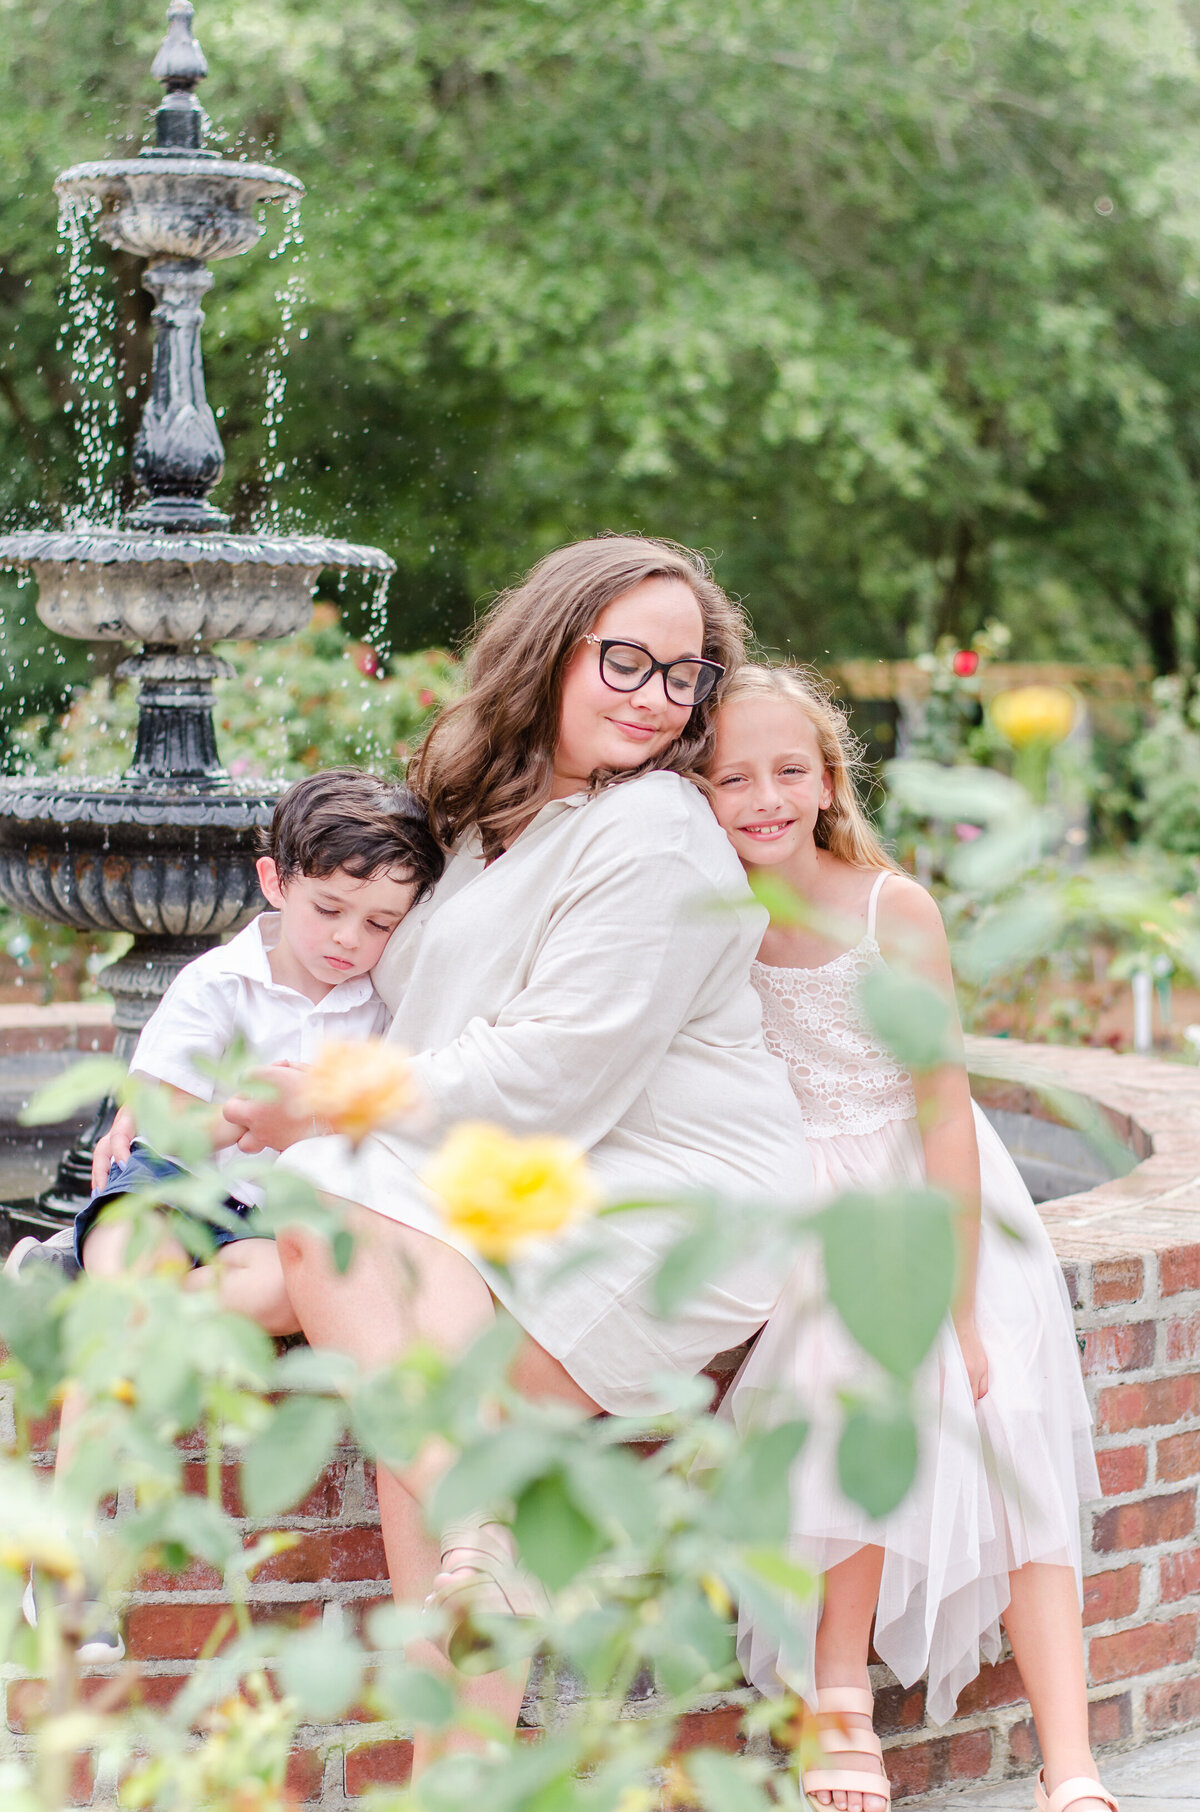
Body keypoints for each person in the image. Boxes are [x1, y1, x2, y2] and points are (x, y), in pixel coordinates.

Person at [95, 535, 815, 1764]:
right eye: (625, 660)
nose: (654, 696)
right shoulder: (496, 815)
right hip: (517, 1185)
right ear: (552, 650)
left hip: (659, 1199)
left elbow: (549, 1072)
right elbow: (346, 951)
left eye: (683, 674)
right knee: (423, 1439)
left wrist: (328, 1100)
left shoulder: (653, 832)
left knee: (334, 1241)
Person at [704, 663, 1112, 1812]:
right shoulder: (708, 919)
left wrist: (963, 1302)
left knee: (1005, 1424)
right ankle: (837, 1695)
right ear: (697, 791)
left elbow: (940, 1102)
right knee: (852, 1371)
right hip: (802, 1197)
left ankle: (1070, 1761)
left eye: (790, 770)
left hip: (933, 1193)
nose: (764, 797)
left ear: (829, 779)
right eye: (732, 777)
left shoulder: (893, 907)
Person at [12, 767, 443, 1660]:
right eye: (329, 910)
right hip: (171, 1186)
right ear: (275, 881)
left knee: (293, 1293)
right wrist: (257, 1112)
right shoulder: (219, 985)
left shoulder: (386, 1010)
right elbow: (152, 1129)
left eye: (379, 924)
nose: (349, 940)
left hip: (265, 1218)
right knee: (137, 1278)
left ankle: (68, 1276)